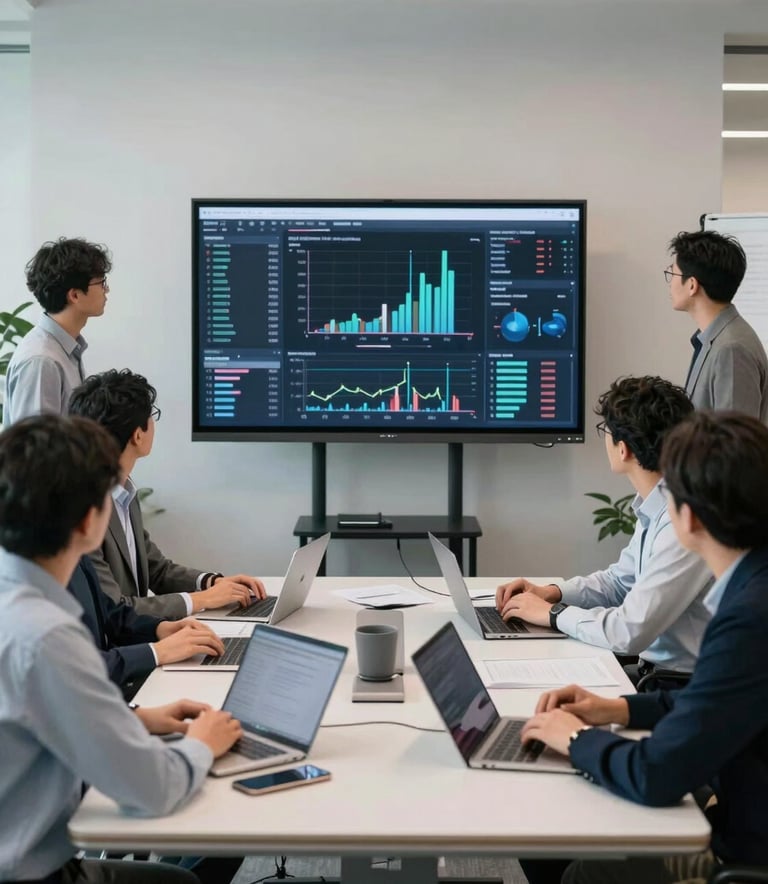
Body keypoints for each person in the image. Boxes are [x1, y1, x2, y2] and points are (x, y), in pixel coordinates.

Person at [519, 411, 768, 883]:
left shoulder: (747, 619)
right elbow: (710, 701)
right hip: (743, 819)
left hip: (742, 856)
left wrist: (573, 739)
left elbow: (655, 775)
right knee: (546, 842)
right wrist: (614, 708)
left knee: (579, 868)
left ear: (687, 518)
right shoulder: (752, 589)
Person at [0, 413, 244, 883]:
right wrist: (201, 746)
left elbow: (27, 713)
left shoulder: (20, 601)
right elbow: (151, 789)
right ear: (91, 522)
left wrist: (136, 720)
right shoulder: (46, 634)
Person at [496, 376, 712, 682]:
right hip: (653, 675)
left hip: (678, 687)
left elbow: (629, 631)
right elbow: (619, 582)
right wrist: (551, 593)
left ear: (622, 449)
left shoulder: (683, 523)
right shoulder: (659, 504)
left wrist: (552, 614)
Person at [68, 368, 267, 619]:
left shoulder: (124, 493)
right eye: (152, 416)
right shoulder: (83, 511)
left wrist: (210, 583)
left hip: (143, 636)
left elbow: (156, 570)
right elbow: (113, 608)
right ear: (138, 435)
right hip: (119, 650)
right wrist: (202, 600)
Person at [68, 556, 226, 697]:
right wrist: (157, 652)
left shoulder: (77, 556)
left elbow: (110, 612)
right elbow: (75, 668)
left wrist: (159, 629)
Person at [3, 237, 112, 427]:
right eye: (101, 282)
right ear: (75, 295)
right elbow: (36, 450)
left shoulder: (64, 348)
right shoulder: (42, 361)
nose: (107, 289)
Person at [667, 229, 768, 420]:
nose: (670, 283)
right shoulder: (715, 338)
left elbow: (735, 442)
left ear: (692, 285)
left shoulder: (731, 349)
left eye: (672, 273)